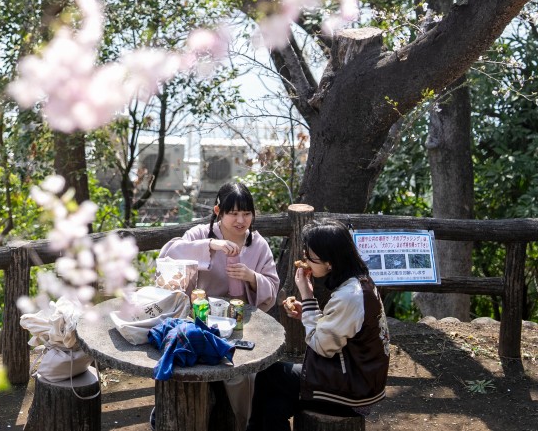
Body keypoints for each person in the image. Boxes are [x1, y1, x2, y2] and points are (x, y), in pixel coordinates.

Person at [156, 182, 279, 430]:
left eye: (246, 213)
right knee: (181, 365)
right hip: (196, 319)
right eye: (233, 213)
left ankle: (245, 424)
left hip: (237, 322)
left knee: (242, 371)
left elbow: (272, 287)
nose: (240, 220)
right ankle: (164, 417)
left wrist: (251, 277)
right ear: (218, 212)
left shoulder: (258, 244)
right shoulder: (202, 234)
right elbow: (168, 254)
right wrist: (210, 246)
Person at [249, 219, 391, 431]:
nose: (305, 260)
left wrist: (306, 294)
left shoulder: (349, 296)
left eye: (310, 257)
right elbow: (337, 329)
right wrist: (307, 312)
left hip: (351, 389)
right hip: (358, 378)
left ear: (330, 262)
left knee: (269, 374)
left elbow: (322, 345)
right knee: (275, 407)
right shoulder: (360, 282)